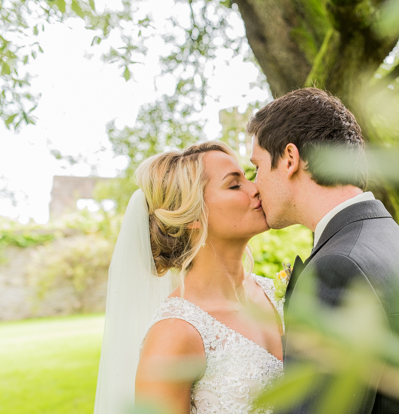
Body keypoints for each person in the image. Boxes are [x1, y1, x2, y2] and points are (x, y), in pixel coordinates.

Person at [248, 88, 399, 413]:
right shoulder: (396, 242)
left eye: (257, 167)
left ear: (289, 159)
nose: (255, 184)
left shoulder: (337, 268)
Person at [94, 141, 285, 414]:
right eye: (234, 185)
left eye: (247, 177)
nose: (255, 188)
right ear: (193, 215)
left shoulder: (278, 293)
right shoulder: (175, 334)